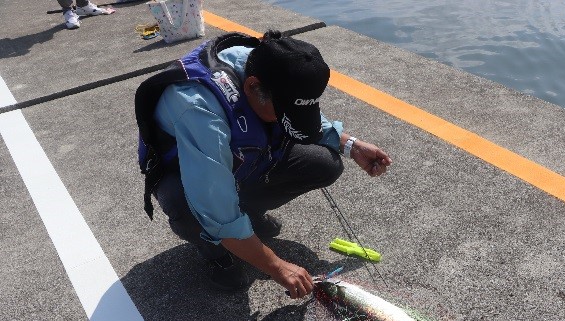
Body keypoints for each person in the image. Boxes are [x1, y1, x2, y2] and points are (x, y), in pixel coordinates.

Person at [135, 31, 392, 298]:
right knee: (188, 204)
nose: (286, 121)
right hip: (186, 171)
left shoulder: (268, 65)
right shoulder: (200, 112)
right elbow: (213, 206)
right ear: (252, 87)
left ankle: (247, 217)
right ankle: (215, 252)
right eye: (282, 114)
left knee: (325, 163)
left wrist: (351, 145)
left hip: (235, 159)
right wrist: (276, 266)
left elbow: (300, 109)